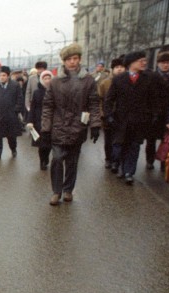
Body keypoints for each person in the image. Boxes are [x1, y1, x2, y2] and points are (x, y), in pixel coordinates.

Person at [41, 43, 101, 205]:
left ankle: (68, 190)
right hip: (58, 127)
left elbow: (94, 103)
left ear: (80, 60)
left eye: (75, 58)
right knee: (57, 159)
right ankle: (56, 191)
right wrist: (45, 128)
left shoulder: (88, 81)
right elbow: (48, 106)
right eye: (69, 59)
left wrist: (95, 125)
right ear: (64, 62)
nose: (72, 62)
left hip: (77, 127)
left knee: (72, 161)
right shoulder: (55, 82)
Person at [103, 51, 158, 184]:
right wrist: (109, 115)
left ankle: (129, 172)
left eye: (145, 60)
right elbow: (109, 100)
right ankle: (119, 164)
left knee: (134, 146)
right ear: (131, 63)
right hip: (121, 121)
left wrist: (153, 115)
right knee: (119, 147)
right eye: (141, 60)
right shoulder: (119, 79)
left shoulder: (148, 79)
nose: (144, 63)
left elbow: (154, 100)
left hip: (140, 120)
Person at [146, 50, 169, 171]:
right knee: (151, 139)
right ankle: (150, 160)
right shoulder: (151, 77)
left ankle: (164, 161)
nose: (166, 65)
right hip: (153, 114)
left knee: (167, 140)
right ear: (158, 63)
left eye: (168, 62)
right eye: (163, 62)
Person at [97, 57, 125, 171]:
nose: (119, 69)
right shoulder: (105, 83)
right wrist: (102, 113)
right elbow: (99, 99)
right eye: (117, 67)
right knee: (108, 140)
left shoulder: (126, 81)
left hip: (122, 117)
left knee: (119, 140)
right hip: (108, 116)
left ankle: (116, 161)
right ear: (112, 69)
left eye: (121, 67)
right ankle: (108, 159)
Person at [0, 65, 24, 159]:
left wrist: (16, 110)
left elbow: (20, 99)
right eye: (0, 75)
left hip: (11, 116)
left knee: (11, 136)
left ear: (8, 76)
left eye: (3, 75)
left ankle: (13, 149)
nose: (1, 77)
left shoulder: (15, 86)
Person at [26, 70, 53, 170]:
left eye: (49, 78)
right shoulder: (37, 92)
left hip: (52, 121)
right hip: (39, 120)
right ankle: (42, 160)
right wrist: (30, 120)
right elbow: (33, 107)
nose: (47, 80)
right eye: (45, 78)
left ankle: (46, 158)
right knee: (42, 144)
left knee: (49, 144)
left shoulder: (55, 91)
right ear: (42, 80)